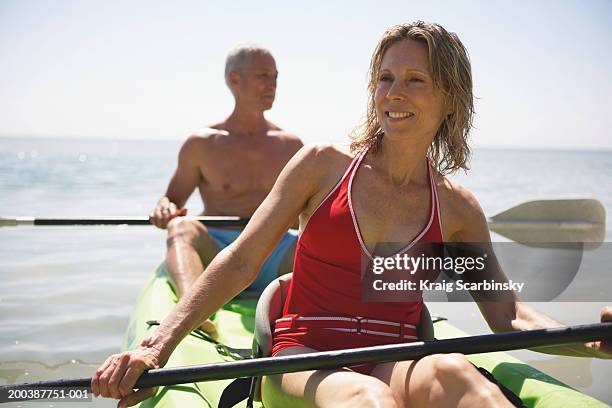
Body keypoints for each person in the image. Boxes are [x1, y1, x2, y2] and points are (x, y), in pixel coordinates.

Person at [92, 22, 611, 408]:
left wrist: (594, 339)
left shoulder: (457, 209)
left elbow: (508, 315)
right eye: (386, 77)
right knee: (367, 400)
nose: (394, 93)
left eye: (415, 79)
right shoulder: (321, 166)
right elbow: (243, 258)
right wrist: (156, 347)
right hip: (304, 357)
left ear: (450, 99)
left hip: (398, 357)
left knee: (460, 375)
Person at [148, 44, 303, 336]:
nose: (272, 84)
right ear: (234, 80)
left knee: (314, 241)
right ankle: (193, 316)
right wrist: (164, 208)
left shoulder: (290, 145)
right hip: (216, 254)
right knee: (181, 227)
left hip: (272, 250)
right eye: (263, 75)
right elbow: (172, 200)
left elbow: (308, 210)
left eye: (275, 76)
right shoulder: (202, 143)